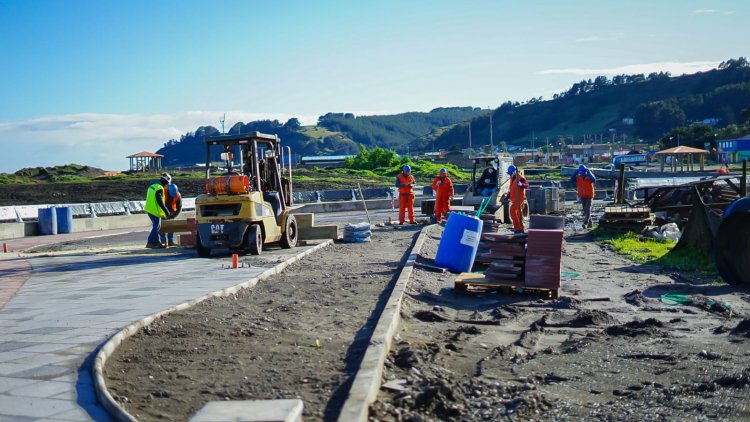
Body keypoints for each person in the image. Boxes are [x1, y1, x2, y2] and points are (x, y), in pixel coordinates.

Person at [144, 173, 172, 248]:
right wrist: (166, 212)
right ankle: (150, 242)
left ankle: (156, 242)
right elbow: (160, 201)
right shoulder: (159, 187)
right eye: (167, 184)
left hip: (149, 209)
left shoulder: (152, 186)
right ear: (166, 182)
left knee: (156, 226)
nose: (167, 186)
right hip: (154, 210)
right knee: (157, 226)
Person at [159, 178, 182, 247]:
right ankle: (163, 242)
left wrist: (173, 216)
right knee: (161, 227)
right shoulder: (163, 192)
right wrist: (164, 213)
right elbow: (160, 203)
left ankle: (170, 241)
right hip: (162, 210)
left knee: (171, 226)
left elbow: (179, 207)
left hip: (171, 211)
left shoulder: (177, 195)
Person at [506, 165, 528, 233]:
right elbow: (511, 190)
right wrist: (507, 197)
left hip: (519, 199)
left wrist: (521, 184)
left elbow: (526, 185)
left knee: (512, 211)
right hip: (514, 199)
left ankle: (518, 227)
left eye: (510, 173)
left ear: (513, 172)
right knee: (519, 213)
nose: (509, 175)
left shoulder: (520, 178)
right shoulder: (512, 179)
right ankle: (520, 227)